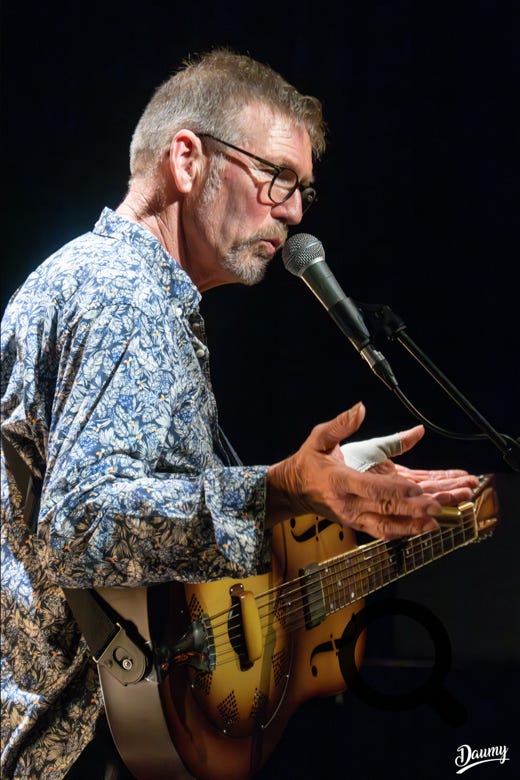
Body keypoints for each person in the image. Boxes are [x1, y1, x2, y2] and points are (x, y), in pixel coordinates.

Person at [0, 48, 479, 780]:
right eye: (276, 176)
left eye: (304, 191)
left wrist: (325, 478)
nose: (293, 211)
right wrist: (277, 489)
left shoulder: (132, 294)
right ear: (187, 160)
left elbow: (134, 507)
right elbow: (82, 525)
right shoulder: (118, 296)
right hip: (64, 746)